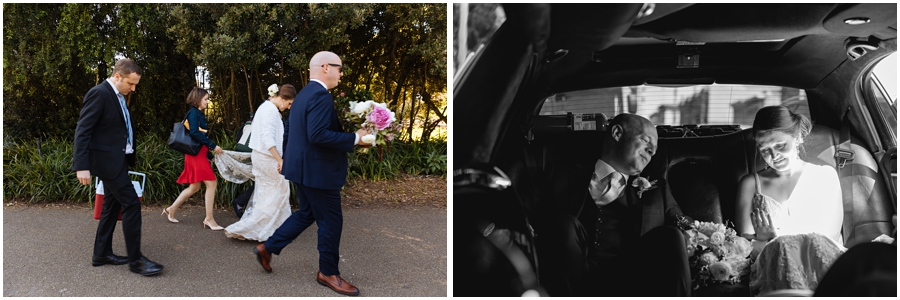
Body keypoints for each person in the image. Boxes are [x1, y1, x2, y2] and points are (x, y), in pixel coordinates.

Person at [251, 51, 371, 296]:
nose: (341, 73)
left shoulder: (305, 93)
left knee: (307, 213)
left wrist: (287, 161)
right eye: (339, 68)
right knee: (331, 222)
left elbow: (292, 132)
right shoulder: (320, 95)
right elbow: (318, 135)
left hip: (302, 169)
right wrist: (355, 139)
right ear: (326, 67)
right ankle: (327, 272)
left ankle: (268, 247)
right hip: (318, 172)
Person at [537, 114, 693, 296]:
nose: (651, 152)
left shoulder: (657, 188)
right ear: (617, 133)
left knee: (671, 236)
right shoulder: (561, 175)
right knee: (564, 224)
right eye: (645, 141)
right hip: (575, 276)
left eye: (654, 151)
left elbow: (685, 225)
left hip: (634, 278)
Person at [734, 105, 845, 295]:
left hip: (819, 263)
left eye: (780, 145)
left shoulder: (825, 176)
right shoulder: (751, 184)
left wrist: (772, 238)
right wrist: (768, 244)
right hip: (770, 265)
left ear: (798, 137)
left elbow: (827, 240)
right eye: (764, 150)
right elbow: (744, 245)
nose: (774, 156)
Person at [72, 58, 163, 276]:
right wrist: (81, 166)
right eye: (130, 83)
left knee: (111, 207)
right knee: (131, 204)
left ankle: (101, 253)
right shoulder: (100, 93)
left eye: (135, 85)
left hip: (118, 160)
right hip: (107, 163)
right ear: (118, 76)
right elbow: (83, 130)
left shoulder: (117, 96)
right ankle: (136, 261)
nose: (133, 89)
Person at [224, 84, 297, 241]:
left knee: (266, 193)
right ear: (282, 98)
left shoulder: (265, 107)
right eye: (289, 103)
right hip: (268, 158)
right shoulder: (270, 110)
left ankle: (266, 226)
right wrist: (280, 160)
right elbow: (268, 139)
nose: (289, 107)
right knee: (279, 190)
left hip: (261, 157)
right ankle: (269, 227)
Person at [162, 87, 225, 230]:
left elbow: (200, 137)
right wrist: (213, 146)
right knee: (212, 183)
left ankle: (171, 209)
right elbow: (195, 133)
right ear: (197, 99)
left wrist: (210, 155)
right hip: (195, 154)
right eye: (206, 99)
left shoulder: (198, 113)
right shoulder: (193, 113)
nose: (208, 102)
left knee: (194, 187)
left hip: (199, 153)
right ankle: (209, 219)